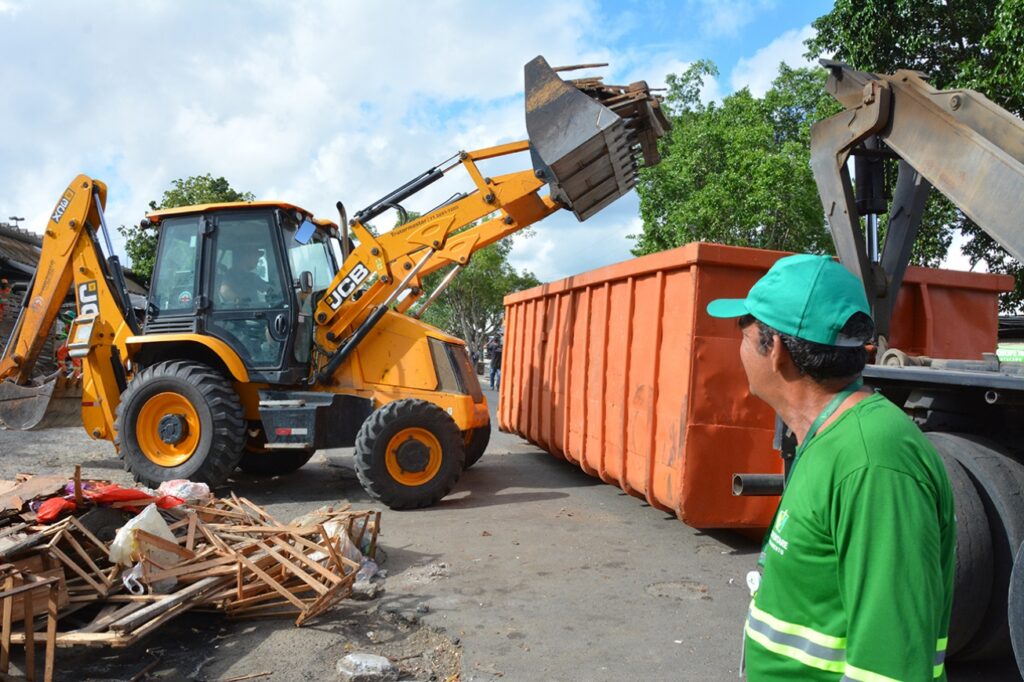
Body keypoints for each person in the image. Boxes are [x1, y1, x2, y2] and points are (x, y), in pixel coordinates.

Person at [706, 254, 955, 681]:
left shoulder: (873, 463)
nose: (739, 348)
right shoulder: (830, 438)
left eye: (743, 333)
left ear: (776, 351)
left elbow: (889, 670)